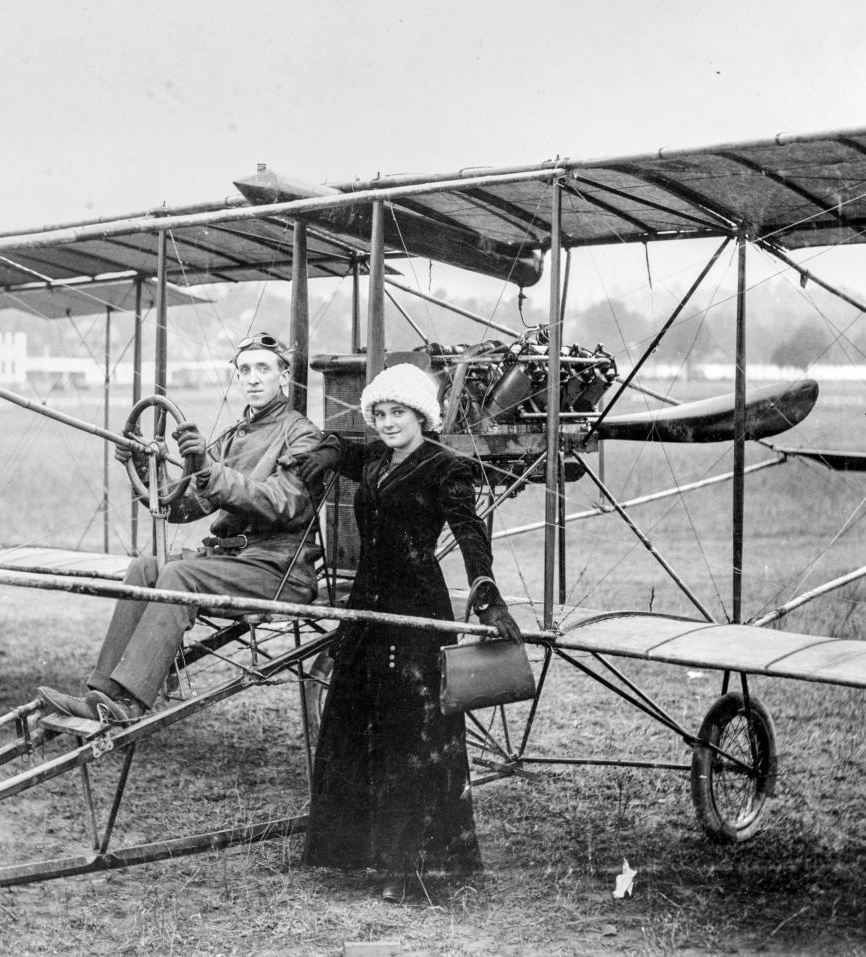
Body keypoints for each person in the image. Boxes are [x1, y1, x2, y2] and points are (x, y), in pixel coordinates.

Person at [284, 362, 521, 903]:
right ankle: (362, 853)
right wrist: (326, 450)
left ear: (422, 415)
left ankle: (414, 869)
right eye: (380, 413)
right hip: (367, 608)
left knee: (410, 739)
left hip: (415, 611)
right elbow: (342, 447)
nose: (388, 423)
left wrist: (485, 594)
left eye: (399, 413)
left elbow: (469, 533)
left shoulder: (446, 468)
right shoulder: (375, 459)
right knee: (353, 721)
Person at [40, 333, 322, 722]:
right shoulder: (233, 435)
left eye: (263, 369)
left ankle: (130, 705)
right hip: (235, 562)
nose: (253, 379)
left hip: (278, 568)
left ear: (284, 376)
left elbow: (282, 503)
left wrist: (207, 469)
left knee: (178, 576)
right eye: (244, 370)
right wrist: (141, 467)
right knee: (144, 568)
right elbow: (184, 507)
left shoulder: (301, 434)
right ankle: (101, 694)